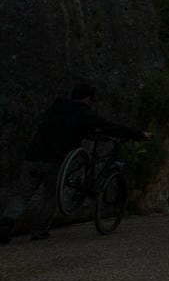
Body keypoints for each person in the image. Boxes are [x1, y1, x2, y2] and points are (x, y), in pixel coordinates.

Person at [0, 84, 146, 243]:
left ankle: (6, 226)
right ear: (88, 99)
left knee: (22, 194)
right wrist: (138, 135)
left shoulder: (55, 109)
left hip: (33, 157)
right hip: (56, 161)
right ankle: (39, 231)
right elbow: (110, 127)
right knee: (49, 196)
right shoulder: (85, 115)